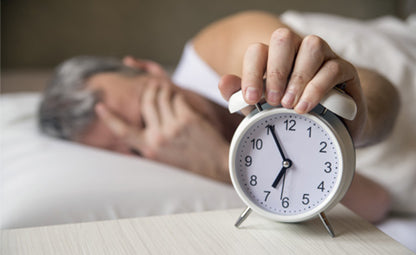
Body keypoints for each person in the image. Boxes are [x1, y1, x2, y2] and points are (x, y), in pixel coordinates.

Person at [39, 11, 399, 223]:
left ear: (148, 69)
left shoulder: (228, 49)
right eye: (137, 149)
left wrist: (356, 120)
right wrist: (218, 162)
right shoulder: (177, 162)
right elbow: (376, 202)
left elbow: (366, 87)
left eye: (149, 114)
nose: (166, 135)